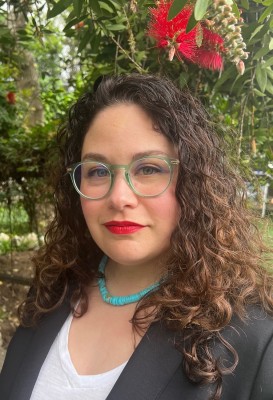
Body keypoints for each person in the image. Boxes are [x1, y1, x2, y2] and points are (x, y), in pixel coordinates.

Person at [1, 73, 273, 400]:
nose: (119, 197)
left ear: (193, 181)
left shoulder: (253, 335)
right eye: (98, 172)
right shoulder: (52, 292)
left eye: (148, 169)